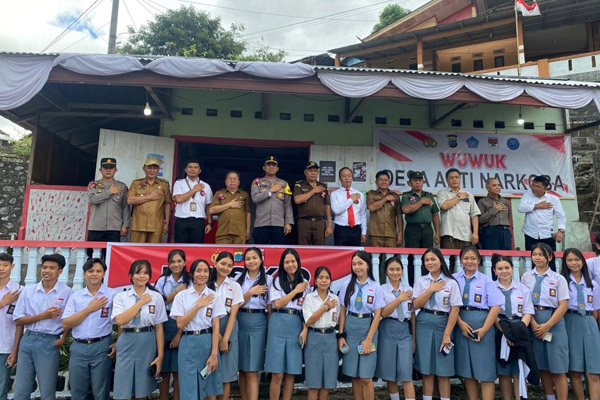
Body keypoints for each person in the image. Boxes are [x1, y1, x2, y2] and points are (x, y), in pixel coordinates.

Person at [13, 253, 72, 400]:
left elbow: (69, 320)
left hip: (50, 341)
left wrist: (62, 339)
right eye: (44, 267)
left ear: (60, 271)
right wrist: (43, 316)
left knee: (47, 389)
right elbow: (18, 320)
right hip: (28, 339)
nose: (46, 271)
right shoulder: (29, 291)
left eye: (52, 268)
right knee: (21, 388)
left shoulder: (67, 292)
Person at [111, 260, 167, 400]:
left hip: (147, 341)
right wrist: (141, 302)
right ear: (131, 275)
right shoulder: (121, 297)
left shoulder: (156, 297)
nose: (142, 276)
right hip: (127, 340)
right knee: (123, 387)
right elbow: (120, 321)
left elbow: (159, 327)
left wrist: (160, 355)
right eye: (138, 273)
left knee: (141, 388)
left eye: (145, 273)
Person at [170, 259, 225, 400]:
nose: (202, 274)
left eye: (206, 271)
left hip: (207, 343)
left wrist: (214, 354)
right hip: (188, 344)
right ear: (192, 274)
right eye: (198, 271)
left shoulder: (214, 296)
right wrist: (198, 306)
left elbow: (216, 326)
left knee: (208, 386)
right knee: (189, 387)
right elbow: (180, 324)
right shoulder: (182, 296)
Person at [62, 258, 116, 400]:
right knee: (77, 391)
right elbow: (66, 323)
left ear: (104, 274)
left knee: (101, 391)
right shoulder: (76, 296)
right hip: (79, 347)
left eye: (98, 271)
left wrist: (118, 342)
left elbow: (121, 321)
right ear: (84, 274)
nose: (94, 274)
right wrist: (89, 309)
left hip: (102, 346)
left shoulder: (112, 295)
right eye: (90, 271)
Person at [453, 246, 503, 400]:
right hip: (460, 323)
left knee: (485, 370)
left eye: (473, 258)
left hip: (482, 324)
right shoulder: (453, 279)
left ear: (479, 260)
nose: (469, 261)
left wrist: (484, 329)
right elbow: (450, 305)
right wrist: (460, 324)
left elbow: (495, 306)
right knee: (467, 370)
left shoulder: (486, 281)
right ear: (461, 260)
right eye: (466, 258)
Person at [520, 243, 569, 400]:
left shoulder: (558, 279)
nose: (537, 257)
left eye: (541, 255)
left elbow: (563, 305)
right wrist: (534, 324)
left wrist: (548, 325)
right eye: (534, 254)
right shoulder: (526, 277)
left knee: (558, 367)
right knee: (543, 366)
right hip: (533, 320)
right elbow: (524, 302)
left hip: (554, 321)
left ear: (549, 257)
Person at [413, 248, 461, 400]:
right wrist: (430, 290)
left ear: (441, 261)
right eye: (427, 260)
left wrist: (447, 334)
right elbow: (415, 305)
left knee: (443, 370)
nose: (430, 262)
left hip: (443, 323)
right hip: (424, 323)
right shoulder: (421, 281)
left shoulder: (451, 282)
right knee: (426, 370)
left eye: (433, 259)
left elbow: (454, 310)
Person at [337, 251, 384, 400]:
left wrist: (369, 339)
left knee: (366, 377)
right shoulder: (347, 285)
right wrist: (341, 335)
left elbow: (378, 315)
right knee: (354, 375)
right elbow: (342, 311)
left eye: (360, 263)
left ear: (368, 265)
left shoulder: (376, 287)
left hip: (368, 328)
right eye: (354, 264)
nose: (357, 267)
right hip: (351, 328)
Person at [266, 249, 308, 400]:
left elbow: (306, 310)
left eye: (293, 261)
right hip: (278, 323)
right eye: (287, 262)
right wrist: (295, 291)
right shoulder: (277, 281)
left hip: (296, 324)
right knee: (277, 373)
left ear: (298, 262)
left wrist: (305, 329)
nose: (290, 265)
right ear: (282, 265)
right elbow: (277, 304)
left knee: (291, 372)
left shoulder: (305, 283)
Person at [492, 254, 534, 400]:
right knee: (504, 372)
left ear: (512, 269)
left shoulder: (522, 289)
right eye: (500, 268)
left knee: (518, 370)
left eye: (507, 268)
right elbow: (492, 313)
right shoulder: (491, 288)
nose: (504, 271)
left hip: (519, 329)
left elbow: (528, 312)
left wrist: (517, 332)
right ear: (494, 270)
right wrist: (506, 333)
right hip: (500, 328)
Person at [559, 248, 600, 400]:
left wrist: (593, 325)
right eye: (570, 260)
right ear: (565, 263)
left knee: (594, 370)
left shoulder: (592, 284)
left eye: (577, 259)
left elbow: (596, 310)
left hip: (589, 323)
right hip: (571, 321)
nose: (574, 263)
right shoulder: (563, 283)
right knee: (575, 370)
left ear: (583, 262)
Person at [375, 256, 416, 400]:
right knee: (389, 373)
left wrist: (414, 339)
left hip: (404, 330)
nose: (395, 272)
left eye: (398, 269)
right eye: (391, 269)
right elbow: (383, 313)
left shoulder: (409, 289)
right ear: (386, 271)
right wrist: (399, 299)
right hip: (387, 329)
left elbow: (412, 316)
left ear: (402, 271)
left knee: (406, 373)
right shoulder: (381, 289)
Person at [236, 247, 273, 400]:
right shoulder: (238, 279)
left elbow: (270, 307)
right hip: (240, 320)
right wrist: (251, 292)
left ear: (261, 260)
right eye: (248, 259)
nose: (251, 261)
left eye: (254, 258)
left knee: (252, 370)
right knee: (241, 369)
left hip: (259, 322)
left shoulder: (269, 279)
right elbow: (235, 304)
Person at [154, 249, 191, 400]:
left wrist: (179, 333)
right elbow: (159, 303)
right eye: (172, 262)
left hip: (181, 324)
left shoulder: (190, 281)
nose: (176, 264)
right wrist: (176, 291)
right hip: (163, 323)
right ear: (168, 264)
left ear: (184, 262)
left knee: (178, 372)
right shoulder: (162, 281)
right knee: (163, 371)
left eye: (179, 261)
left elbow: (191, 309)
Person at [300, 266, 340, 400]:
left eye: (327, 278)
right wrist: (326, 307)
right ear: (315, 281)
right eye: (321, 278)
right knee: (313, 383)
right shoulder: (309, 298)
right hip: (314, 338)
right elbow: (309, 320)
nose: (324, 280)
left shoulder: (335, 299)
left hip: (330, 339)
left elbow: (337, 319)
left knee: (326, 383)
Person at [210, 251, 244, 400]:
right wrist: (217, 336)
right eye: (223, 264)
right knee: (209, 373)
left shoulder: (235, 286)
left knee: (226, 375)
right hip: (209, 328)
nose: (225, 268)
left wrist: (224, 340)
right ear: (215, 263)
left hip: (228, 329)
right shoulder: (206, 283)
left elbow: (233, 314)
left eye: (229, 266)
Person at [517, 175, 566, 271]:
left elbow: (561, 216)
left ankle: (551, 279)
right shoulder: (527, 195)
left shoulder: (553, 199)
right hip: (530, 234)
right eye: (533, 185)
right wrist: (537, 206)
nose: (534, 188)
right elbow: (520, 208)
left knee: (549, 260)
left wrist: (560, 231)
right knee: (533, 260)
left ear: (545, 188)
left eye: (538, 186)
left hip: (547, 234)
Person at [86, 157, 130, 257]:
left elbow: (125, 207)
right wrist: (110, 192)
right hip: (96, 227)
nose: (108, 170)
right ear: (100, 170)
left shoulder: (122, 186)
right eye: (105, 168)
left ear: (116, 170)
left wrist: (125, 225)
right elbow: (92, 200)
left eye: (111, 168)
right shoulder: (93, 185)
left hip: (114, 227)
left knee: (111, 257)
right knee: (92, 257)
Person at [128, 157, 172, 243]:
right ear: (144, 168)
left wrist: (166, 223)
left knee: (153, 250)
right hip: (138, 224)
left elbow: (167, 203)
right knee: (136, 249)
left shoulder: (164, 184)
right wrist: (150, 197)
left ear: (158, 169)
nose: (152, 170)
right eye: (149, 168)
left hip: (156, 224)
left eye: (154, 168)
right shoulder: (136, 183)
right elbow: (130, 200)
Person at [251, 156, 294, 245]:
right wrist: (270, 191)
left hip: (279, 224)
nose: (271, 167)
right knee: (261, 250)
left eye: (274, 165)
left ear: (277, 168)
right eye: (268, 165)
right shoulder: (257, 182)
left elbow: (287, 205)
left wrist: (288, 223)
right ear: (264, 168)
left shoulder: (284, 184)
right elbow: (255, 198)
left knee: (278, 251)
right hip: (261, 223)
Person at [437, 168, 481, 249]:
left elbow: (474, 215)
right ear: (447, 180)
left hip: (466, 235)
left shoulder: (468, 195)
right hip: (449, 234)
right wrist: (459, 197)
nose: (454, 179)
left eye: (456, 177)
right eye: (451, 177)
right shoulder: (442, 193)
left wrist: (475, 233)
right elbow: (444, 206)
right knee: (449, 257)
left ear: (460, 179)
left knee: (466, 257)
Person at [172, 160, 213, 243]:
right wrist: (194, 190)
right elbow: (179, 199)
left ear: (199, 170)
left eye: (195, 167)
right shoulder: (179, 183)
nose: (193, 169)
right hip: (182, 220)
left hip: (198, 221)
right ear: (185, 170)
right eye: (190, 167)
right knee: (180, 247)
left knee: (196, 247)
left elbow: (208, 205)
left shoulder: (206, 186)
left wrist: (209, 223)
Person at [293, 161, 333, 245]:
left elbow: (327, 206)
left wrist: (329, 225)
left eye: (315, 171)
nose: (313, 173)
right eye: (310, 171)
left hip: (320, 222)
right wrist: (313, 191)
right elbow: (297, 200)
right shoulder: (299, 185)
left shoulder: (323, 186)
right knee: (303, 248)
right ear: (305, 172)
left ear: (318, 173)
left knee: (320, 249)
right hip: (304, 221)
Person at [0, 253, 22, 400]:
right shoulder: (9, 297)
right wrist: (3, 303)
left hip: (6, 347)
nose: (1, 268)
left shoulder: (19, 291)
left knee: (2, 388)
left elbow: (20, 324)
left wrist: (15, 349)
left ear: (12, 266)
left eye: (5, 265)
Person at [401, 170, 440, 248]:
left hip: (427, 229)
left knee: (427, 253)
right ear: (409, 183)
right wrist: (421, 201)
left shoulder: (429, 196)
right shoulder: (406, 196)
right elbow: (406, 210)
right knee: (412, 253)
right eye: (415, 180)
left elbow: (435, 215)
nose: (418, 183)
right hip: (412, 229)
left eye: (420, 180)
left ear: (423, 182)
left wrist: (438, 233)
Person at [211, 171, 251, 244]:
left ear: (238, 182)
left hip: (239, 232)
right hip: (223, 232)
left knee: (238, 252)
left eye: (234, 179)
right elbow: (212, 210)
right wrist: (229, 204)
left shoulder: (244, 194)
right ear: (226, 182)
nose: (232, 181)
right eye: (230, 179)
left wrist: (247, 231)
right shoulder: (219, 193)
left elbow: (247, 213)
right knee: (223, 251)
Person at [331, 167, 367, 246]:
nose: (347, 178)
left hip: (356, 229)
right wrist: (351, 200)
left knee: (355, 252)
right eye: (344, 176)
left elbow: (362, 214)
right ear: (340, 179)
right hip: (341, 230)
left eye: (349, 176)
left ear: (352, 178)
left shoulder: (359, 194)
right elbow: (336, 210)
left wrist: (364, 232)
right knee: (340, 252)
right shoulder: (335, 194)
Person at [366, 170, 403, 248]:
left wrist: (400, 233)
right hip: (375, 234)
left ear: (389, 182)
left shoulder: (395, 196)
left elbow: (399, 215)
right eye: (381, 180)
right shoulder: (371, 194)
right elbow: (371, 207)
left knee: (392, 255)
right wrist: (385, 199)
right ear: (376, 182)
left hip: (391, 234)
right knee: (375, 255)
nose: (383, 182)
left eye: (386, 180)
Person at [477, 178, 512, 250]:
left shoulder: (505, 201)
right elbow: (480, 220)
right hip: (490, 232)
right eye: (494, 185)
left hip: (505, 231)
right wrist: (494, 209)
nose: (497, 187)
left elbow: (509, 217)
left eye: (499, 185)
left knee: (506, 255)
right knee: (492, 255)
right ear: (487, 188)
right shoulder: (482, 201)